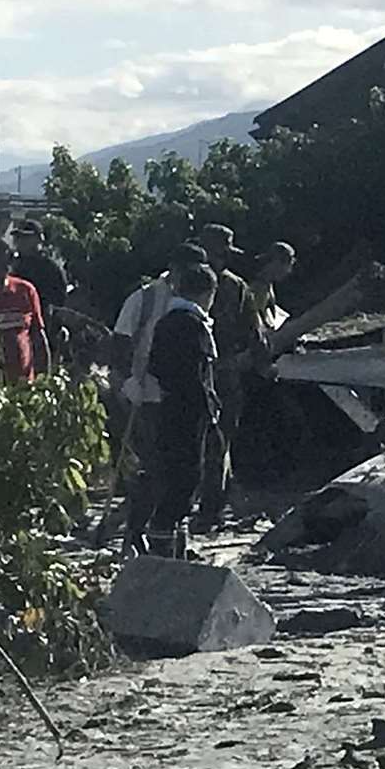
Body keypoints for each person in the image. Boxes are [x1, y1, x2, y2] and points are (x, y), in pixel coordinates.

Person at [136, 258, 223, 561]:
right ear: (206, 293)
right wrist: (209, 408)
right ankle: (163, 543)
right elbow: (194, 376)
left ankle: (176, 544)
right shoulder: (190, 324)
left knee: (176, 473)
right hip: (188, 410)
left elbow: (157, 366)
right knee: (185, 476)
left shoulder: (166, 322)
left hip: (170, 405)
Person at [194, 223, 263, 533]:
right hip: (213, 373)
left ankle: (209, 510)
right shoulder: (235, 286)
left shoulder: (182, 283)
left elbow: (254, 332)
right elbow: (255, 334)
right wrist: (260, 362)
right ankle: (209, 510)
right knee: (215, 444)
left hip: (213, 373)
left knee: (213, 444)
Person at [0, 235, 48, 385]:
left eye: (0, 262)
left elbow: (38, 337)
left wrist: (44, 379)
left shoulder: (25, 291)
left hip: (24, 383)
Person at [10, 220, 72, 368]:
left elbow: (59, 302)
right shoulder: (12, 265)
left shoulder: (49, 268)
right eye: (19, 237)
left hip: (43, 327)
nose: (20, 241)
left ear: (39, 239)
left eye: (26, 237)